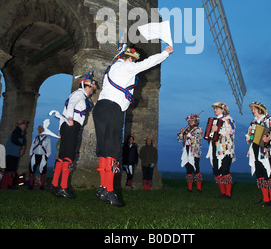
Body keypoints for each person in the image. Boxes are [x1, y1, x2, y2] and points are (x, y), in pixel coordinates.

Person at [93, 45, 173, 206]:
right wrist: (165, 53)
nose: (134, 61)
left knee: (103, 148)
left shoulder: (111, 68)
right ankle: (109, 190)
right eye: (133, 58)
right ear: (128, 58)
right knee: (112, 150)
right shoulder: (126, 66)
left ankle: (102, 187)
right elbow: (146, 64)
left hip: (100, 108)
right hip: (112, 109)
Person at [50, 75, 97, 198]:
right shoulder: (78, 94)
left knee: (62, 155)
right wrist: (70, 118)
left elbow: (64, 111)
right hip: (72, 125)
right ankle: (64, 187)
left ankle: (55, 185)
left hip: (67, 126)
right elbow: (70, 106)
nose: (92, 91)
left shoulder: (76, 95)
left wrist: (61, 127)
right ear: (85, 87)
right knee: (68, 156)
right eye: (91, 88)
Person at [246, 101, 271, 206]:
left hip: (266, 151)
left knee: (269, 173)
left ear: (260, 109)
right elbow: (250, 136)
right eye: (252, 109)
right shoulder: (253, 123)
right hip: (256, 150)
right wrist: (249, 138)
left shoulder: (269, 120)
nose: (252, 111)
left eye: (254, 109)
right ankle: (265, 199)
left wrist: (269, 138)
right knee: (260, 174)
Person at [206, 102, 236, 199]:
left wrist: (218, 130)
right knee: (216, 170)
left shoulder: (228, 119)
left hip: (225, 149)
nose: (215, 110)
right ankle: (222, 192)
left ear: (223, 110)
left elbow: (230, 132)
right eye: (214, 108)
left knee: (225, 170)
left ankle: (228, 194)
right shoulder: (214, 120)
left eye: (217, 108)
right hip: (214, 147)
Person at [177, 114, 203, 192]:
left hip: (194, 151)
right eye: (189, 121)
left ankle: (199, 188)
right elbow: (179, 139)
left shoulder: (199, 129)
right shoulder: (187, 129)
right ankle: (190, 188)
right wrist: (181, 133)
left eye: (191, 121)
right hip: (186, 150)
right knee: (188, 169)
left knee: (196, 168)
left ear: (195, 121)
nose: (190, 122)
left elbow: (197, 138)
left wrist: (188, 134)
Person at [1, 120, 29, 190]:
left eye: (25, 124)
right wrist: (21, 146)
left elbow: (23, 141)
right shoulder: (17, 131)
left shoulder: (21, 133)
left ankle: (10, 184)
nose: (25, 126)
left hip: (14, 153)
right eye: (24, 124)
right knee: (10, 169)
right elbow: (14, 140)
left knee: (12, 169)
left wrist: (22, 148)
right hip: (11, 153)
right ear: (19, 125)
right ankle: (8, 185)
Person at [28, 125, 51, 190]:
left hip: (43, 156)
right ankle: (31, 185)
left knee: (43, 171)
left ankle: (42, 185)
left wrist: (46, 156)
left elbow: (49, 149)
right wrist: (31, 154)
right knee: (32, 170)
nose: (41, 131)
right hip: (35, 155)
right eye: (40, 129)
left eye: (42, 129)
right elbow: (32, 147)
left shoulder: (47, 139)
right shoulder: (35, 138)